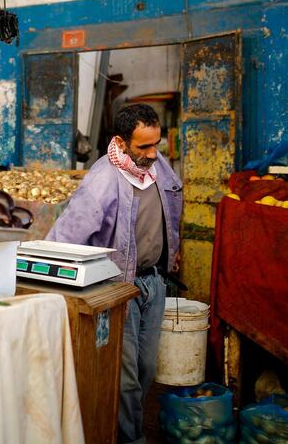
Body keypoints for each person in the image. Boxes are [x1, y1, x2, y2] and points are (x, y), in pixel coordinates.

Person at [46, 104, 182, 444]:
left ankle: (127, 428)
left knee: (147, 367)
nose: (154, 154)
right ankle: (129, 438)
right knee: (125, 377)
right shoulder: (103, 180)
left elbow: (173, 204)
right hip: (119, 288)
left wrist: (174, 249)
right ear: (121, 143)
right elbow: (67, 234)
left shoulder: (157, 166)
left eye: (157, 144)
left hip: (155, 283)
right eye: (144, 147)